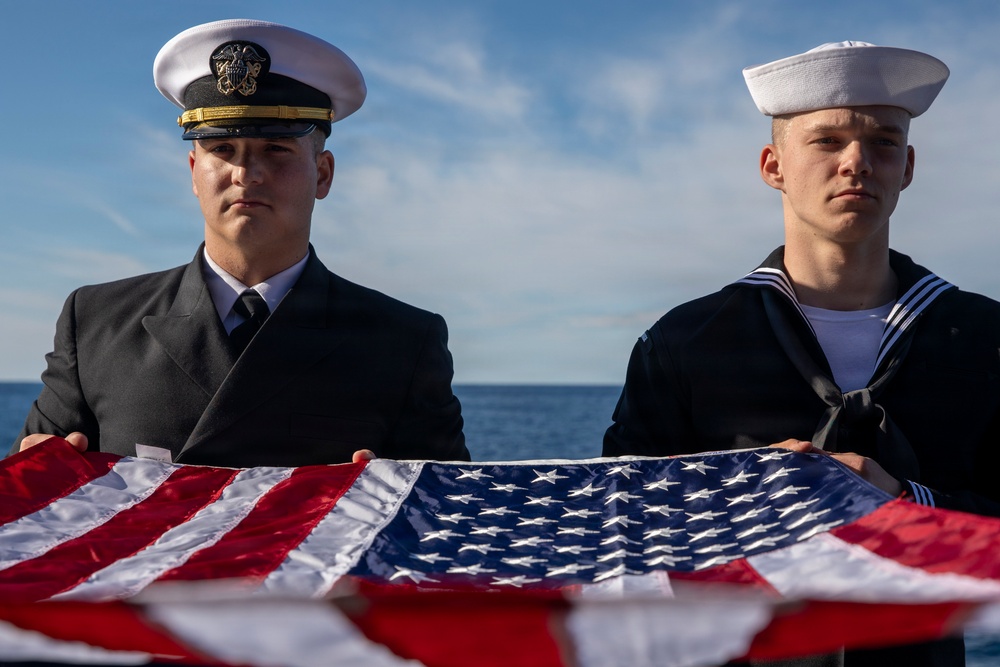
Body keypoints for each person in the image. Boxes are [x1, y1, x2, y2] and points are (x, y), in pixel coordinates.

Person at [603, 41, 1000, 666]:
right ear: (774, 165)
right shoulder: (684, 343)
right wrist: (730, 499)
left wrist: (906, 505)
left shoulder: (985, 338)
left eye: (883, 142)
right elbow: (620, 541)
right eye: (826, 141)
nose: (856, 162)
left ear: (907, 167)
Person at [12, 19, 469, 468]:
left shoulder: (404, 343)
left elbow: (452, 505)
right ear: (194, 172)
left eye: (276, 149)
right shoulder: (97, 322)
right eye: (222, 150)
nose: (246, 174)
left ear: (323, 174)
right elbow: (34, 488)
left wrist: (400, 493)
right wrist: (33, 473)